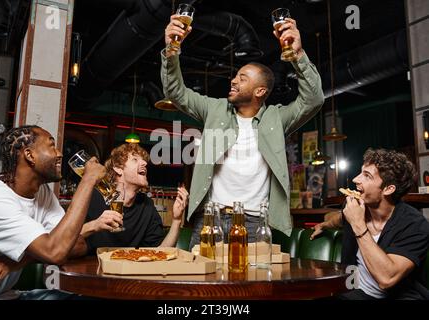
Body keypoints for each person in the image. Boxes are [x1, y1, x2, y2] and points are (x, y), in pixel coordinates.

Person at [162, 14, 324, 248]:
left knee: (252, 283)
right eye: (236, 76)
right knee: (202, 282)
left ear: (260, 91)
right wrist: (171, 50)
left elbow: (313, 100)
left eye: (243, 78)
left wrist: (298, 55)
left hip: (254, 222)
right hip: (210, 217)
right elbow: (176, 92)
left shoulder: (277, 118)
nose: (233, 81)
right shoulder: (215, 110)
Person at [0, 125, 106, 300]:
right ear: (30, 155)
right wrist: (88, 180)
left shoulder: (42, 193)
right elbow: (56, 252)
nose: (59, 153)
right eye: (51, 145)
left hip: (6, 295)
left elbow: (77, 244)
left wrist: (16, 261)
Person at [311, 148, 429, 299]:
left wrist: (358, 225)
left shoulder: (414, 225)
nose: (355, 179)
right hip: (354, 292)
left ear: (388, 189)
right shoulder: (355, 209)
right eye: (361, 172)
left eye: (367, 176)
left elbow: (387, 279)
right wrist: (324, 225)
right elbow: (339, 218)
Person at [79, 143, 189, 255]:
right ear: (118, 169)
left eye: (144, 161)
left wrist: (177, 219)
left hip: (130, 269)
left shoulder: (146, 205)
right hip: (93, 268)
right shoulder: (93, 197)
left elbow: (161, 251)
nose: (145, 163)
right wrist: (95, 225)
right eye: (135, 160)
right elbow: (65, 239)